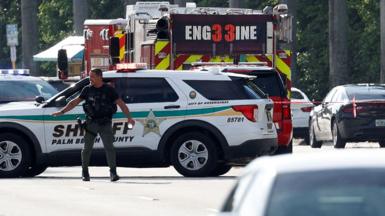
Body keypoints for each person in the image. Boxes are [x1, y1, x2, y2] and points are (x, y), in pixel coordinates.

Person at [52, 68, 135, 182]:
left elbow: (121, 103)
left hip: (105, 122)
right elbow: (74, 102)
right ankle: (85, 172)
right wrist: (61, 112)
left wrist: (129, 118)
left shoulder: (109, 90)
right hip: (91, 123)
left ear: (100, 77)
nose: (90, 79)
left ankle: (113, 172)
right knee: (87, 149)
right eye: (90, 76)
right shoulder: (87, 89)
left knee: (109, 148)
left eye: (92, 77)